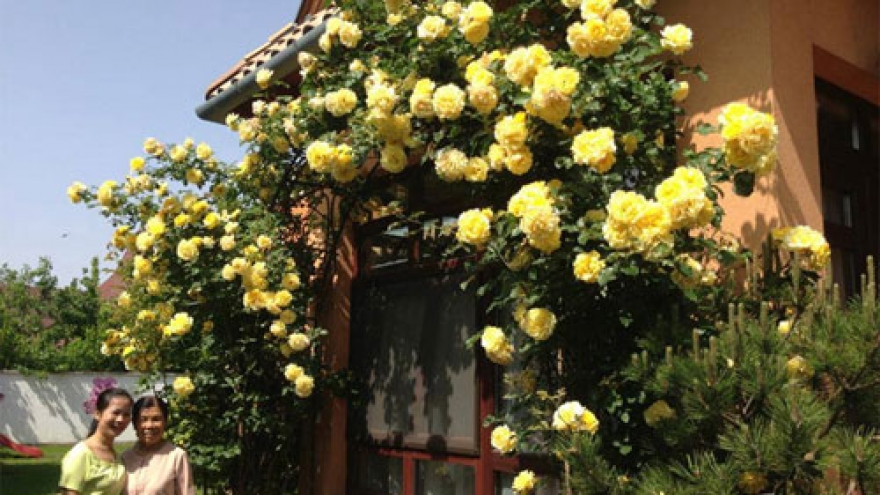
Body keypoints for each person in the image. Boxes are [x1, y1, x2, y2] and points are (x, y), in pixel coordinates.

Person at [59, 387, 133, 495]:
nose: (121, 419)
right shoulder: (81, 454)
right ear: (98, 414)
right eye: (116, 413)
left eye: (126, 415)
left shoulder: (116, 457)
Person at [121, 395, 195, 495]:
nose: (149, 425)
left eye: (156, 419)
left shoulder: (176, 457)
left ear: (165, 422)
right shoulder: (125, 458)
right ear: (134, 424)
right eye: (143, 419)